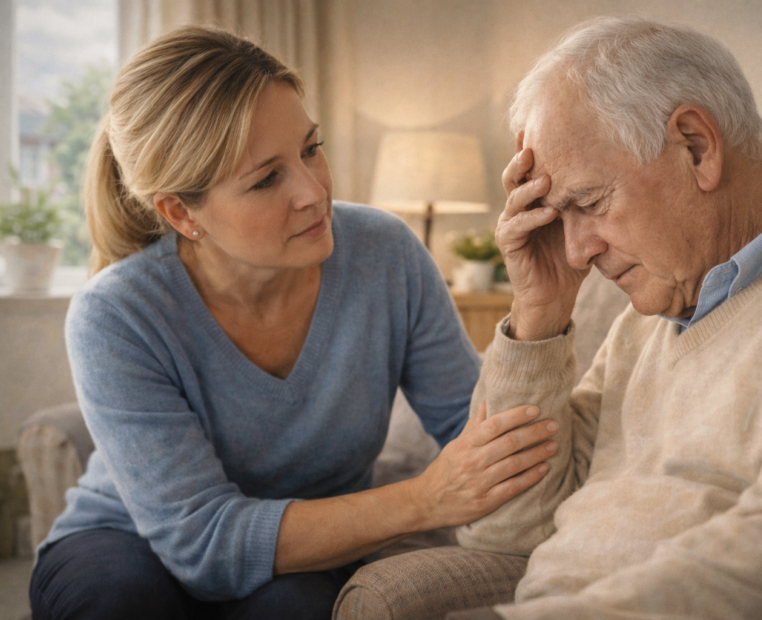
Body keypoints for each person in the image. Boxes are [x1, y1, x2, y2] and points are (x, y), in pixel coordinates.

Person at [28, 26, 560, 620]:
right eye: (265, 179)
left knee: (297, 607)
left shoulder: (385, 253)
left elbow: (479, 430)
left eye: (311, 148)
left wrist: (540, 304)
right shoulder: (116, 313)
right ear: (181, 212)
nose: (314, 192)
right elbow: (203, 542)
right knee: (118, 600)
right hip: (123, 540)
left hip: (312, 547)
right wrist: (424, 501)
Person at [450, 16, 762, 620]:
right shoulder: (650, 315)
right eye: (557, 214)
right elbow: (504, 529)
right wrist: (538, 313)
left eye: (589, 203)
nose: (575, 252)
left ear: (696, 147)